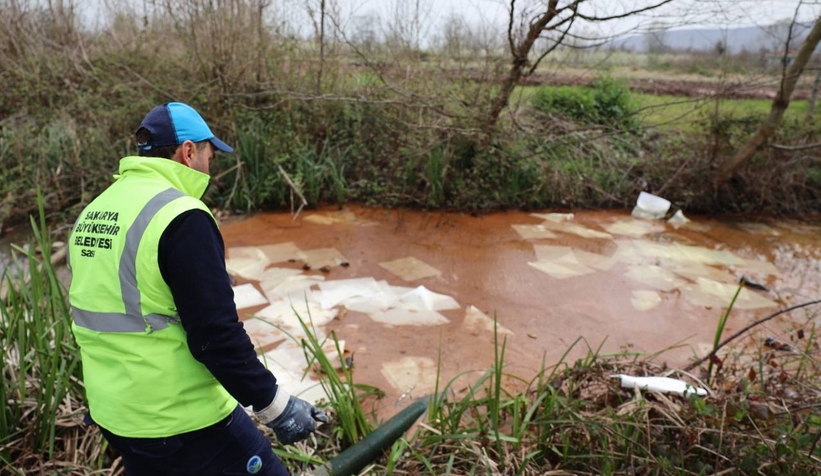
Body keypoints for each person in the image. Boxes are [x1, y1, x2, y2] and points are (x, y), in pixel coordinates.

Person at [67, 102, 327, 476]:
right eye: (209, 153)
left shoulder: (95, 211)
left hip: (115, 413)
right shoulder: (181, 215)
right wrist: (276, 406)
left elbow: (115, 297)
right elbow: (215, 337)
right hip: (179, 418)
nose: (210, 165)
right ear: (188, 152)